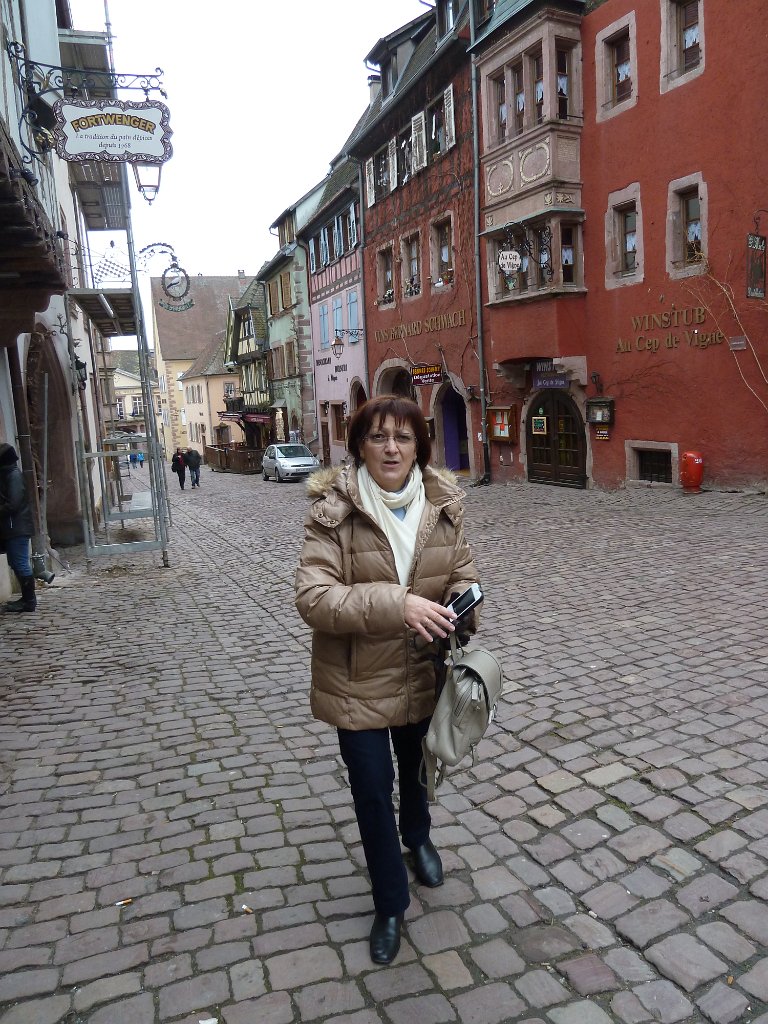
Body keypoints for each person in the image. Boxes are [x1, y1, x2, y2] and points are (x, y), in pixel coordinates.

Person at [295, 395, 480, 965]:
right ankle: (390, 902)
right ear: (359, 446)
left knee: (419, 772)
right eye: (378, 437)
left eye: (403, 437)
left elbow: (461, 569)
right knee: (373, 791)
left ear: (419, 446)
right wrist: (399, 605)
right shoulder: (334, 512)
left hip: (424, 669)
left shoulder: (443, 503)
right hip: (357, 681)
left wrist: (462, 603)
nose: (392, 448)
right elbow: (313, 596)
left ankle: (417, 836)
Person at [0, 443, 37, 613]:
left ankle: (29, 601)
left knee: (20, 563)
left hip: (17, 527)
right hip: (13, 526)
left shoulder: (13, 475)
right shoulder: (8, 475)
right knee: (16, 562)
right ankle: (26, 599)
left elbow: (13, 504)